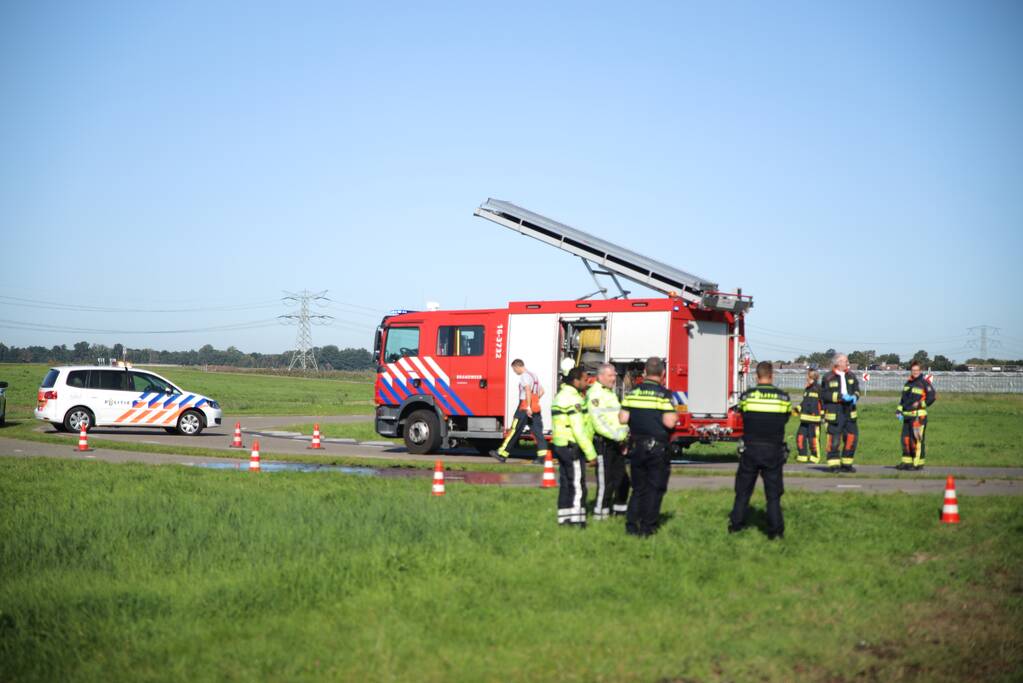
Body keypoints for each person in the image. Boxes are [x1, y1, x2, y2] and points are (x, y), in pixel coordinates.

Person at [728, 361, 792, 540]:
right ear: (772, 375)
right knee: (773, 495)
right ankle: (776, 532)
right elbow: (785, 419)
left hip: (750, 448)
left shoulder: (747, 397)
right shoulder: (783, 398)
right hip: (773, 449)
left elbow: (743, 416)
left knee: (743, 491)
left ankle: (736, 526)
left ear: (757, 376)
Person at [618, 357, 678, 537]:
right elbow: (669, 422)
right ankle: (647, 527)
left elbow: (622, 419)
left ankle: (631, 525)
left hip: (636, 447)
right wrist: (675, 417)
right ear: (663, 374)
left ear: (644, 373)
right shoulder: (664, 394)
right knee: (654, 488)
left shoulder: (633, 393)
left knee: (638, 488)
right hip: (657, 449)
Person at [551, 367, 598, 527]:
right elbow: (578, 430)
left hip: (560, 445)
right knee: (578, 485)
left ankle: (564, 519)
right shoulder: (574, 399)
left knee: (565, 483)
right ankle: (578, 521)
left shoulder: (560, 395)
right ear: (575, 381)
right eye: (585, 380)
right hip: (572, 447)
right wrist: (591, 453)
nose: (587, 383)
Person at [586, 363, 630, 519]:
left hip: (617, 442)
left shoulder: (610, 393)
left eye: (614, 375)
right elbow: (599, 422)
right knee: (606, 482)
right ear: (600, 376)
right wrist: (618, 436)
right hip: (604, 443)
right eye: (610, 375)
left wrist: (624, 436)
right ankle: (600, 514)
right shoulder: (595, 394)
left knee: (622, 480)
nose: (614, 378)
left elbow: (618, 418)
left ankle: (620, 512)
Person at [491, 359, 549, 463]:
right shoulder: (534, 375)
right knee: (537, 433)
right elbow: (542, 391)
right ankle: (542, 457)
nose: (515, 372)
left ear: (517, 366)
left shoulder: (524, 376)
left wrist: (528, 407)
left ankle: (502, 454)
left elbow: (527, 390)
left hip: (524, 407)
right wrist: (534, 402)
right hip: (535, 407)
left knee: (514, 430)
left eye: (514, 370)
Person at [821, 353, 861, 473]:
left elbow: (857, 390)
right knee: (834, 440)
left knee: (851, 438)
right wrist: (840, 397)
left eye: (847, 361)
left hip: (849, 412)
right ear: (837, 363)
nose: (847, 363)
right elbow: (824, 394)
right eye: (845, 361)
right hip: (835, 412)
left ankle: (847, 464)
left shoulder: (852, 376)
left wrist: (854, 397)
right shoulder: (828, 377)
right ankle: (834, 465)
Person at [896, 361, 937, 470]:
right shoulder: (908, 383)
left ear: (920, 371)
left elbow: (932, 397)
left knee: (916, 441)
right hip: (907, 417)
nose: (915, 372)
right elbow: (903, 400)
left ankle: (917, 464)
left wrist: (920, 404)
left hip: (919, 417)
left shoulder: (924, 383)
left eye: (917, 370)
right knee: (905, 440)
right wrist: (899, 410)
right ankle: (906, 462)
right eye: (913, 370)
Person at [793, 369, 823, 464]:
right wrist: (797, 409)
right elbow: (805, 402)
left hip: (814, 420)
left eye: (808, 376)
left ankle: (815, 458)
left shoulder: (819, 388)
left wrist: (823, 416)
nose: (806, 377)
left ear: (812, 377)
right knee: (800, 437)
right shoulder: (807, 389)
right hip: (804, 419)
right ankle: (802, 457)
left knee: (813, 440)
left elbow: (823, 403)